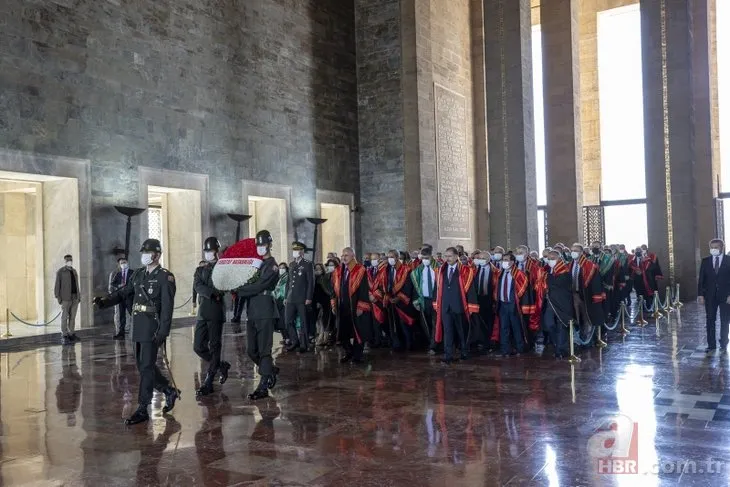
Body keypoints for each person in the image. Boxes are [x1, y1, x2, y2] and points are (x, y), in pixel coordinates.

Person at [93, 238, 179, 425]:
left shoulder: (165, 277)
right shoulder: (139, 274)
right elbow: (124, 292)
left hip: (152, 328)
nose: (144, 256)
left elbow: (167, 308)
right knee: (143, 367)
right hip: (137, 326)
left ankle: (143, 408)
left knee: (146, 368)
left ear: (156, 255)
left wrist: (163, 332)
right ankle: (168, 390)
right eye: (143, 253)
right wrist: (105, 301)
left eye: (147, 253)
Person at [234, 230, 280, 400]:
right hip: (253, 311)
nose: (261, 248)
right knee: (252, 351)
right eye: (258, 245)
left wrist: (239, 289)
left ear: (269, 245)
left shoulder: (272, 266)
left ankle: (263, 386)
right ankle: (269, 371)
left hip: (265, 310)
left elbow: (259, 286)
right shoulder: (256, 264)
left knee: (264, 350)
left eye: (263, 244)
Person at [193, 237, 231, 397]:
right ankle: (221, 366)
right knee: (198, 346)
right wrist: (210, 292)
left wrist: (211, 290)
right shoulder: (201, 269)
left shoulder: (223, 268)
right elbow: (197, 285)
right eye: (206, 251)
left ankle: (209, 381)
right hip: (203, 311)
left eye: (210, 251)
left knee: (215, 346)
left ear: (216, 251)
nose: (208, 254)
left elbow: (221, 287)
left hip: (216, 311)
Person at [433, 247, 478, 364]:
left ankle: (464, 352)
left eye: (450, 256)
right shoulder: (441, 270)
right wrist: (436, 303)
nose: (447, 258)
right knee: (448, 331)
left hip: (459, 306)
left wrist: (472, 306)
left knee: (462, 331)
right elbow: (436, 288)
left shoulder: (465, 270)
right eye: (446, 256)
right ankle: (448, 355)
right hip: (445, 306)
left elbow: (471, 290)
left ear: (456, 256)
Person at [331, 248, 372, 363]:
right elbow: (333, 290)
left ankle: (357, 355)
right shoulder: (338, 271)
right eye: (342, 255)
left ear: (353, 256)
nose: (344, 257)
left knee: (359, 332)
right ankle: (348, 352)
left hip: (355, 306)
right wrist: (334, 304)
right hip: (342, 306)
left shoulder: (360, 270)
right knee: (343, 332)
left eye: (347, 255)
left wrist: (361, 306)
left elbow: (364, 290)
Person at [373, 249, 415, 351]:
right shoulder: (385, 270)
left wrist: (398, 297)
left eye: (392, 257)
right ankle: (396, 344)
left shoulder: (406, 270)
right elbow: (381, 284)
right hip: (389, 302)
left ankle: (409, 345)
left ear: (397, 257)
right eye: (388, 257)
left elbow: (408, 287)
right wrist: (385, 295)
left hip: (402, 303)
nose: (390, 259)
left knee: (404, 325)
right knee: (392, 324)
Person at [493, 253, 530, 357]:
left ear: (512, 262)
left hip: (513, 304)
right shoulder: (500, 273)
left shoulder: (518, 274)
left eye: (506, 260)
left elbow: (522, 289)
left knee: (516, 327)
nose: (504, 262)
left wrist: (516, 299)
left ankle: (520, 348)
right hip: (502, 304)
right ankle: (505, 350)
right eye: (503, 260)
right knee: (504, 327)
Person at [539, 249, 574, 358]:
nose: (550, 261)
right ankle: (557, 344)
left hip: (561, 302)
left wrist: (546, 277)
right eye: (548, 259)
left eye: (552, 259)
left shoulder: (565, 271)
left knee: (561, 326)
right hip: (550, 302)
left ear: (559, 259)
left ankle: (561, 350)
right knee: (548, 324)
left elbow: (555, 283)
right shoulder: (549, 271)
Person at [698, 239, 730, 353]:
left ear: (722, 247)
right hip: (709, 296)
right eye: (712, 247)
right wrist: (700, 295)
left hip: (725, 296)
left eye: (716, 247)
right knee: (710, 319)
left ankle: (723, 343)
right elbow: (701, 279)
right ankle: (711, 345)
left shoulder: (728, 260)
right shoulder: (705, 261)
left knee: (725, 320)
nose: (714, 249)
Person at [285, 241, 315, 352]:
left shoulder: (307, 264)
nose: (295, 252)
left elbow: (310, 282)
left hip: (302, 298)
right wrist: (285, 297)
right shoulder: (292, 264)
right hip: (290, 298)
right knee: (288, 321)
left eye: (297, 250)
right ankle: (295, 341)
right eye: (294, 250)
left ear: (302, 252)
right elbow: (288, 282)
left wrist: (309, 297)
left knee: (303, 322)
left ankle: (304, 344)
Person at [411, 247, 438, 354]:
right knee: (426, 323)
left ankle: (433, 345)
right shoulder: (417, 271)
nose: (425, 260)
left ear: (431, 256)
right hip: (424, 300)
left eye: (427, 258)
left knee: (435, 323)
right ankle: (431, 342)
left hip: (436, 300)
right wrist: (416, 301)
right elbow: (415, 288)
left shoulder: (438, 268)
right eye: (423, 258)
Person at [55, 254, 80, 345]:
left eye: (71, 259)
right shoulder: (61, 272)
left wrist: (79, 296)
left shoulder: (74, 271)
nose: (70, 261)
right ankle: (64, 334)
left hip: (75, 297)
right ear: (65, 261)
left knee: (72, 317)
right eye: (68, 260)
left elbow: (77, 285)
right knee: (64, 317)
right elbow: (57, 286)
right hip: (65, 298)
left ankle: (71, 333)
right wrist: (58, 297)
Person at [473, 250, 495, 352]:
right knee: (478, 321)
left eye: (483, 258)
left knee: (489, 321)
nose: (480, 260)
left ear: (488, 259)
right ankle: (480, 340)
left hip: (489, 299)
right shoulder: (475, 270)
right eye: (479, 258)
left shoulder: (494, 271)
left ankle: (489, 342)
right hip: (478, 299)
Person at [109, 257, 132, 340]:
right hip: (121, 297)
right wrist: (118, 286)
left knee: (132, 314)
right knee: (121, 316)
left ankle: (136, 330)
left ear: (127, 262)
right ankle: (121, 333)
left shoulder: (132, 273)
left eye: (124, 262)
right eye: (122, 263)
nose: (123, 264)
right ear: (119, 265)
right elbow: (112, 283)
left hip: (129, 297)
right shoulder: (118, 274)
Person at [313, 263, 334, 347]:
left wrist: (321, 302)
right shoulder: (313, 279)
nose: (318, 271)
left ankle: (325, 336)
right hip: (316, 301)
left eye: (319, 269)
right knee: (318, 320)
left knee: (325, 319)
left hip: (325, 301)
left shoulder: (325, 278)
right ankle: (320, 335)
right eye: (316, 269)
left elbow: (327, 290)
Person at [273, 263, 290, 344]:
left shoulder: (287, 277)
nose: (281, 269)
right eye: (280, 268)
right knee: (280, 320)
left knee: (284, 320)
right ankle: (285, 337)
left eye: (283, 268)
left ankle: (288, 338)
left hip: (284, 300)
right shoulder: (279, 278)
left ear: (286, 269)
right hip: (278, 300)